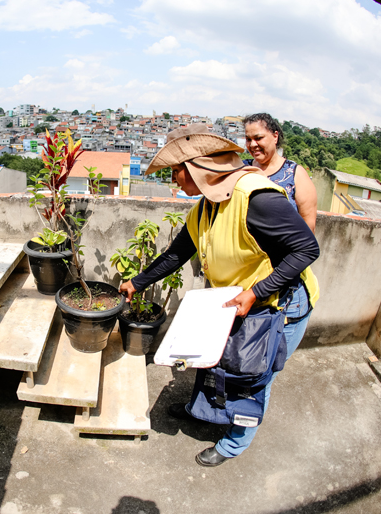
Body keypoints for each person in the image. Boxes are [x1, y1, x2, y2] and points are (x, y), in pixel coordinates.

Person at [120, 123, 320, 467]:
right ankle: (201, 410)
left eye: (175, 172)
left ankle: (234, 443)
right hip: (236, 303)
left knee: (253, 376)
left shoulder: (256, 198)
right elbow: (177, 253)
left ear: (196, 168)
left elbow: (307, 249)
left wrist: (256, 292)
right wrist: (137, 282)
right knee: (215, 362)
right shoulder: (207, 206)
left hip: (280, 305)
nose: (173, 181)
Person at [242, 113, 318, 232]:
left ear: (275, 137)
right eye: (248, 139)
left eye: (258, 138)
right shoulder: (241, 169)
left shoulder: (295, 174)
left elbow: (308, 227)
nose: (252, 145)